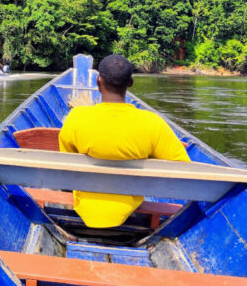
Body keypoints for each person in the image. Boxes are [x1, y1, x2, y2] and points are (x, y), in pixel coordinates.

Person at [58, 54, 190, 228]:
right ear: (130, 83)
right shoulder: (152, 122)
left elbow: (66, 165)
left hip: (84, 207)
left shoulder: (76, 117)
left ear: (98, 81)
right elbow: (184, 170)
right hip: (128, 208)